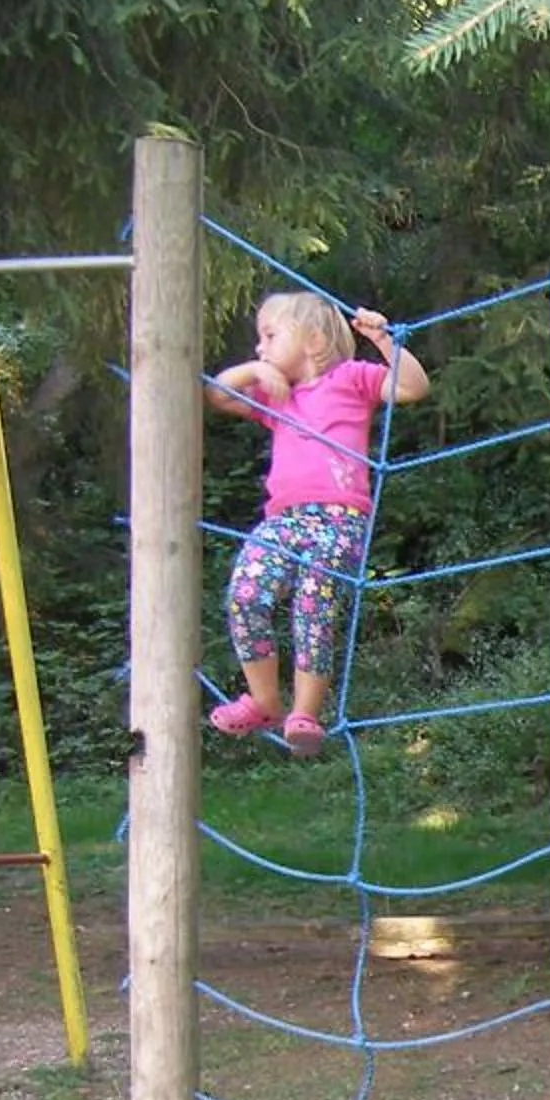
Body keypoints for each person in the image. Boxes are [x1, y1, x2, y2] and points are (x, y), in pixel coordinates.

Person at [205, 291, 429, 756]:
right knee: (246, 594)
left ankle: (304, 712)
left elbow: (412, 388)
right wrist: (253, 372)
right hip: (282, 521)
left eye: (269, 336)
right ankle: (264, 699)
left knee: (314, 605)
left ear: (312, 339)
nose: (260, 347)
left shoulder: (351, 379)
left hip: (338, 519)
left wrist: (384, 340)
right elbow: (217, 395)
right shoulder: (274, 396)